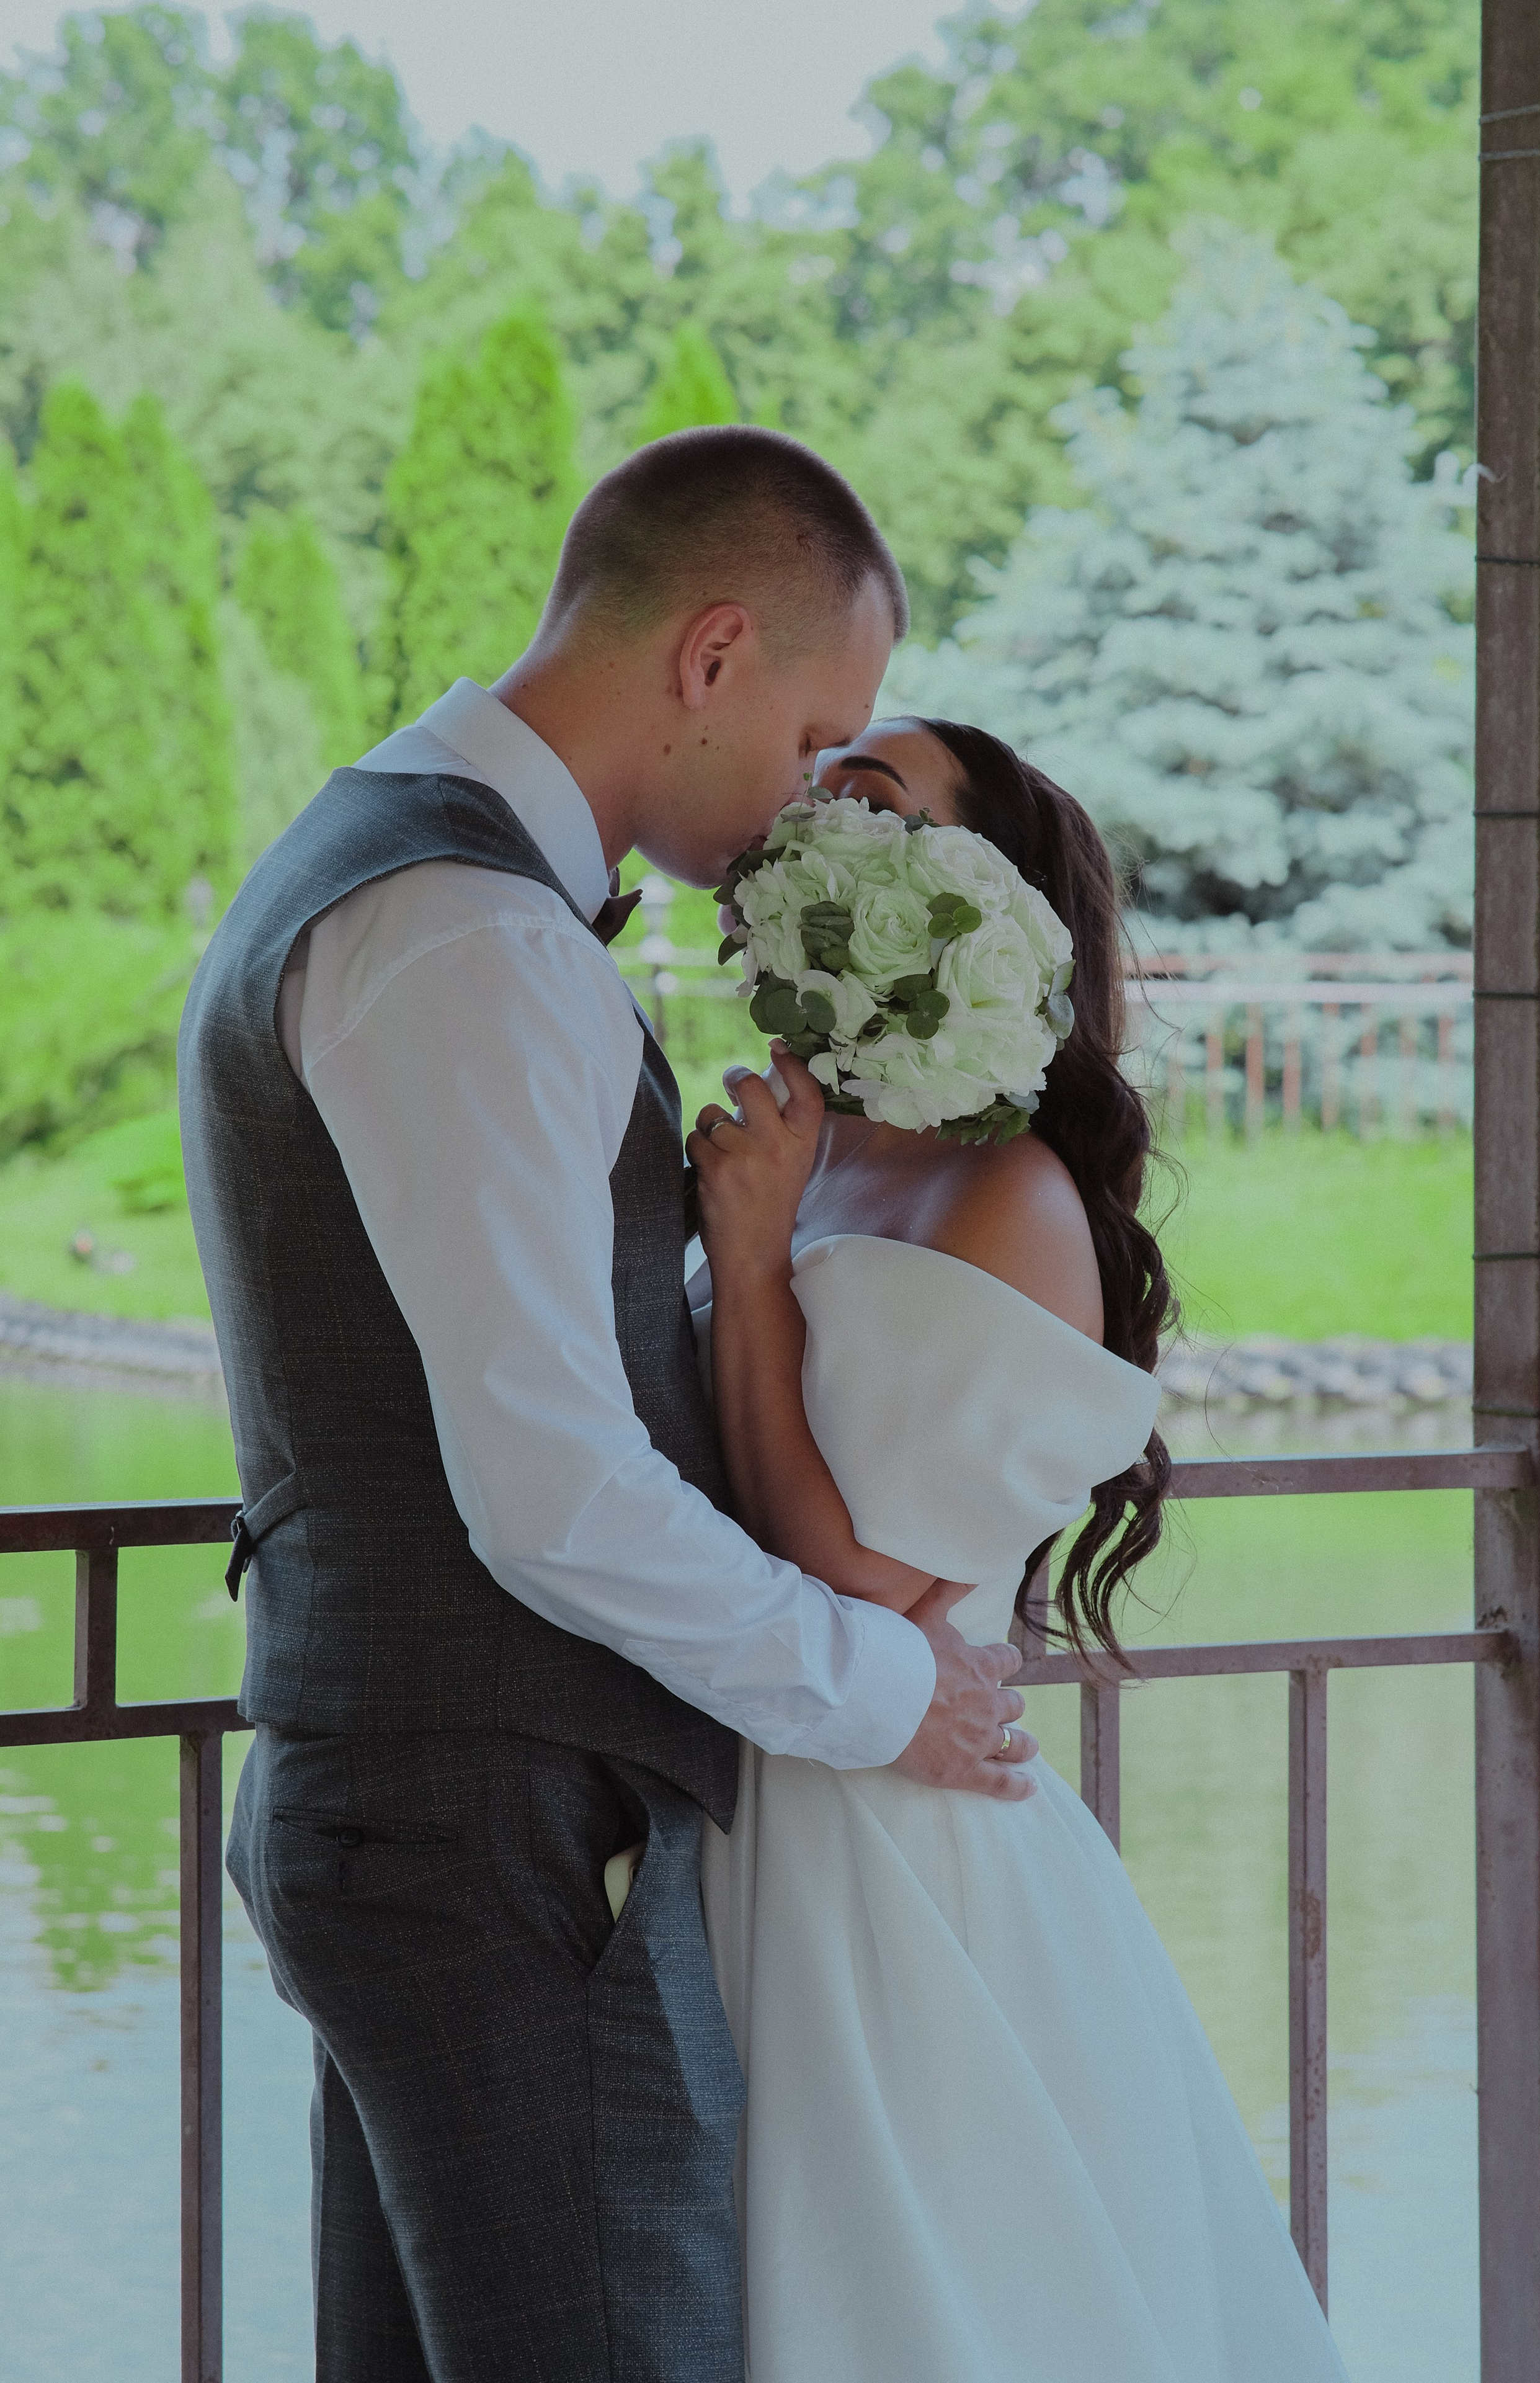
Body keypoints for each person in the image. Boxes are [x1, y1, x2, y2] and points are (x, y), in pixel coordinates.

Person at [177, 432, 1035, 2383]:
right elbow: (551, 1487)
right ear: (713, 654)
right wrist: (887, 1685)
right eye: (824, 731)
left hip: (422, 1808)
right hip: (492, 1831)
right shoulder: (466, 936)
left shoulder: (399, 871)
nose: (822, 796)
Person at [687, 716, 1352, 2382]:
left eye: (878, 791)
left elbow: (854, 1583)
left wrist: (753, 1264)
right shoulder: (815, 1143)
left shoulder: (1015, 1197)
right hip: (730, 1795)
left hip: (897, 1845)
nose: (824, 801)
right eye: (824, 774)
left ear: (979, 883)